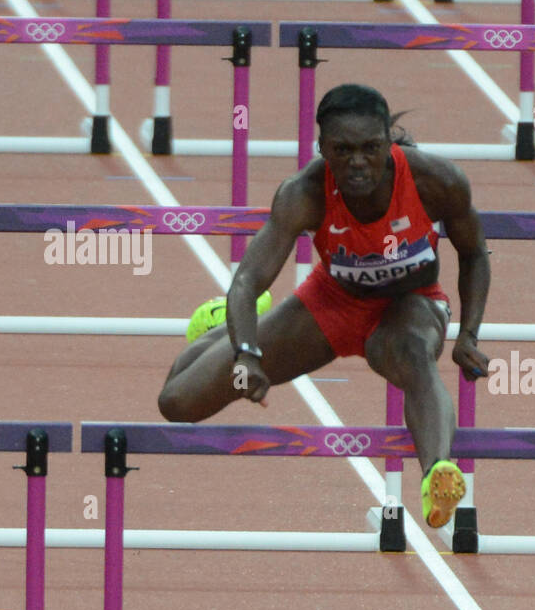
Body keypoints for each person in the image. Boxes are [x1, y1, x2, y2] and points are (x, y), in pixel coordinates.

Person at [158, 83, 491, 528]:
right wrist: (246, 354)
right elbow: (246, 282)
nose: (357, 162)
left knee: (414, 355)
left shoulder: (437, 180)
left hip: (409, 305)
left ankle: (437, 474)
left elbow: (473, 254)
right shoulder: (304, 192)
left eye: (370, 148)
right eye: (343, 149)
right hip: (329, 304)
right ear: (322, 148)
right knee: (177, 402)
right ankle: (230, 331)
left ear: (389, 143)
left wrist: (468, 334)